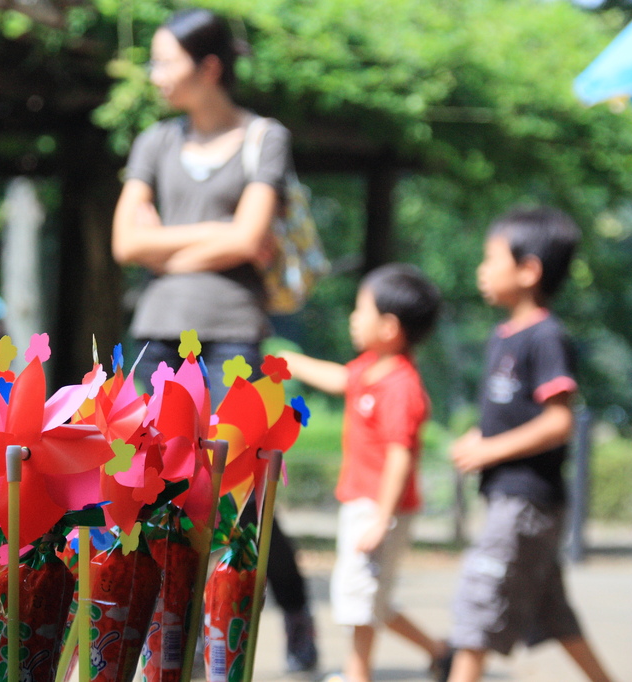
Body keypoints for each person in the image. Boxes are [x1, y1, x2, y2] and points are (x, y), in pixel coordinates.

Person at [110, 8, 317, 673]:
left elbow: (250, 238)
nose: (154, 74)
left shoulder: (265, 138)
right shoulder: (154, 142)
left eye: (165, 61)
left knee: (240, 488)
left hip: (231, 332)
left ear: (209, 69)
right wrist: (214, 239)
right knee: (146, 482)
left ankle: (286, 610)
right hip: (154, 332)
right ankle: (165, 633)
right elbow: (125, 243)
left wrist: (162, 246)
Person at [446, 207, 616, 682]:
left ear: (528, 270)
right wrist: (482, 438)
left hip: (526, 502)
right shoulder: (503, 336)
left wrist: (490, 451)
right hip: (510, 497)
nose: (481, 269)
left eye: (490, 258)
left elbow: (558, 421)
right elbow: (513, 415)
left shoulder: (546, 337)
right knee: (554, 615)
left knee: (477, 605)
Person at [280, 264, 451, 682]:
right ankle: (441, 653)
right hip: (362, 501)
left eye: (361, 310)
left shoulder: (401, 386)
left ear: (389, 327)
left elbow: (400, 456)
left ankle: (358, 674)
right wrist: (291, 362)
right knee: (372, 598)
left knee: (358, 594)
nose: (353, 318)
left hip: (380, 507)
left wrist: (381, 518)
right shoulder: (370, 369)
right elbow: (340, 378)